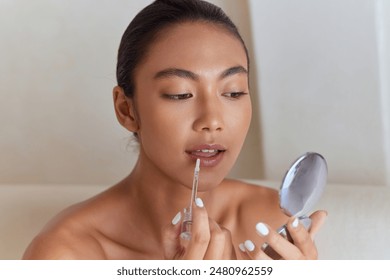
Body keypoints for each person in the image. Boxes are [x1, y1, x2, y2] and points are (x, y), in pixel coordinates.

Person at [22, 0, 327, 260]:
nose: (212, 120)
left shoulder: (272, 222)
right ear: (126, 110)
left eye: (233, 92)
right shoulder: (64, 253)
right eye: (180, 94)